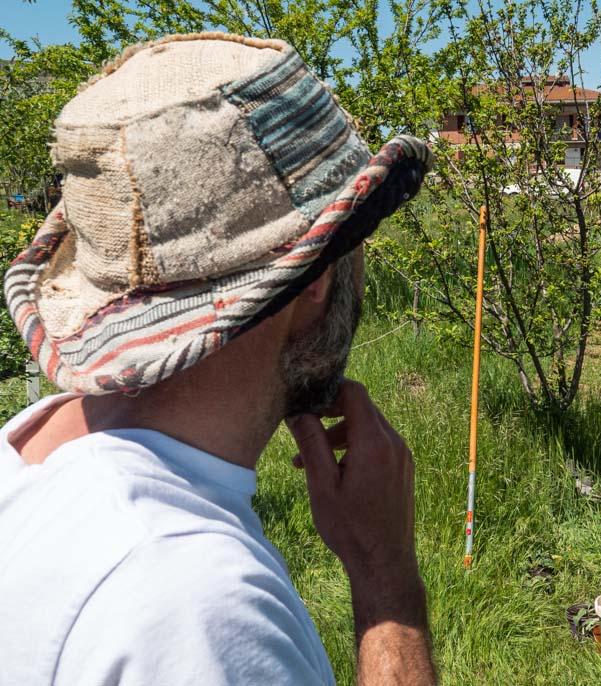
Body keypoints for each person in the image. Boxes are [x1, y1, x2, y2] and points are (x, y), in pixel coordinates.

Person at [0, 34, 436, 685]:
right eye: (354, 239)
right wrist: (387, 581)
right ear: (314, 279)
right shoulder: (194, 607)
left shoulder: (28, 450)